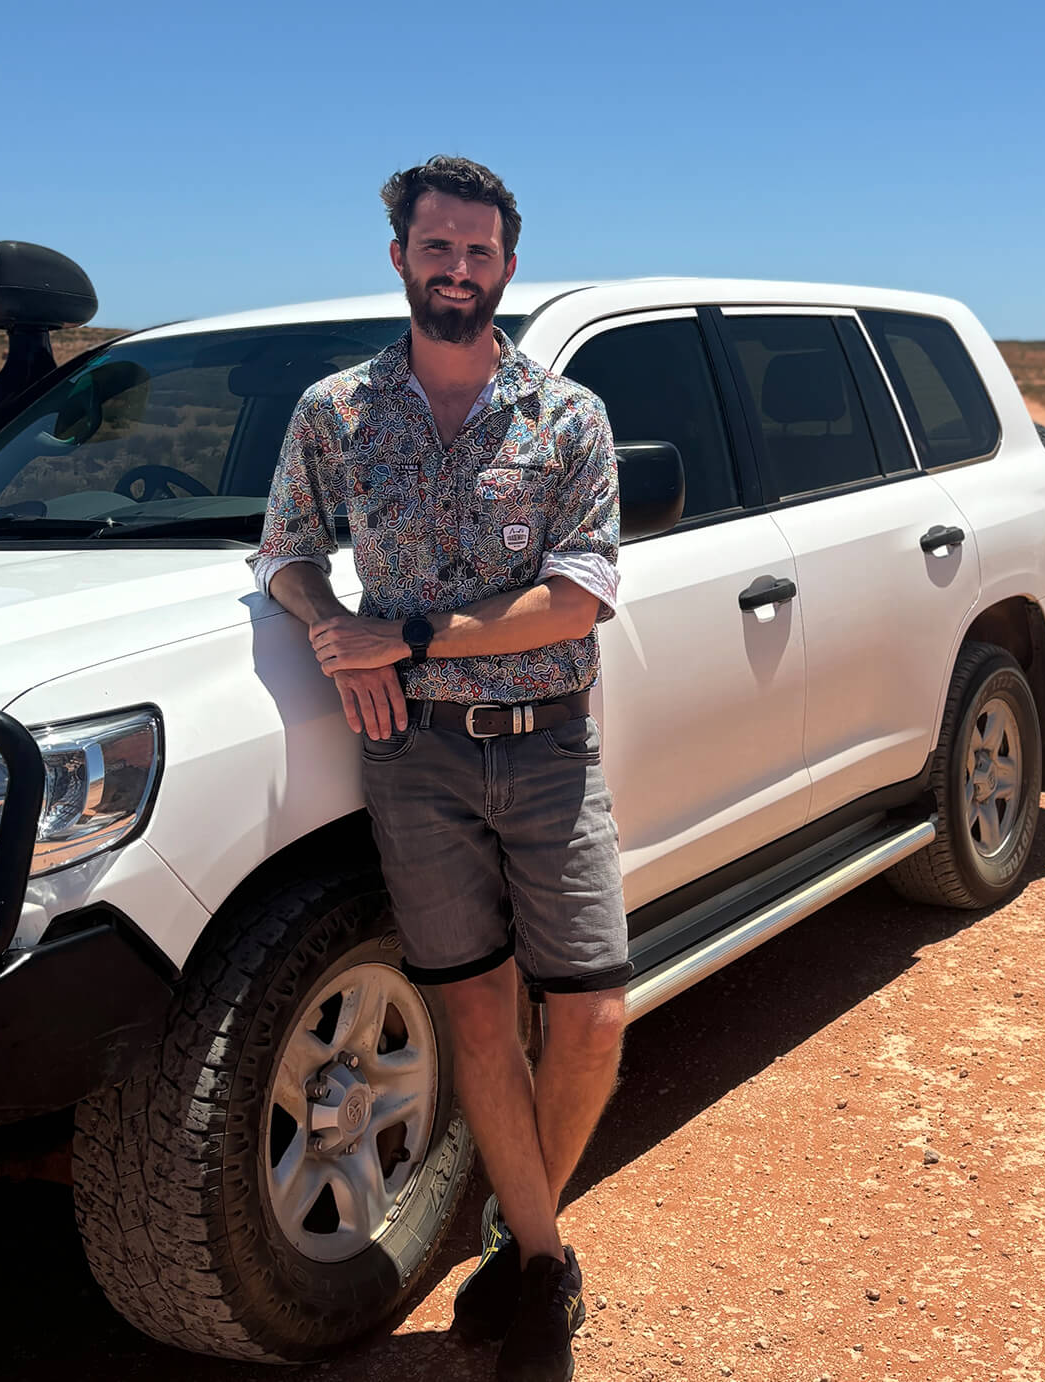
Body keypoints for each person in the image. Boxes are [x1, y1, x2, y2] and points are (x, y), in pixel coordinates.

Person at [250, 155, 627, 1382]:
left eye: (478, 251)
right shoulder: (335, 413)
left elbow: (575, 601)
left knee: (591, 1014)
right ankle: (541, 1269)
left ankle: (522, 1245)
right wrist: (324, 625)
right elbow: (288, 556)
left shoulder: (566, 416)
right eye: (436, 247)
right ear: (400, 257)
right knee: (473, 1008)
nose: (457, 268)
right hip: (411, 756)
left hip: (547, 742)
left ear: (507, 266)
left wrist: (404, 635)